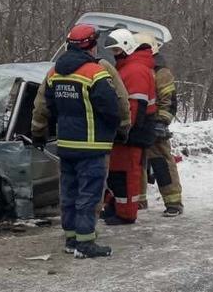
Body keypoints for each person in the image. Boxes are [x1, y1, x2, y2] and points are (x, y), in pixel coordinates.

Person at [30, 23, 122, 259]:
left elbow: (43, 106)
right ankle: (85, 243)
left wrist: (38, 133)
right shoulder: (96, 73)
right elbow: (112, 108)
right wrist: (118, 130)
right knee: (89, 195)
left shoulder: (54, 73)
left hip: (66, 146)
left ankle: (71, 238)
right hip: (92, 147)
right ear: (91, 45)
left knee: (69, 194)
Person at [101, 28, 157, 226]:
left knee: (127, 173)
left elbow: (133, 106)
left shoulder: (134, 70)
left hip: (133, 133)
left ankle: (126, 213)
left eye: (116, 50)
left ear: (127, 47)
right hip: (130, 131)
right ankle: (115, 206)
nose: (114, 54)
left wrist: (123, 130)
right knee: (118, 172)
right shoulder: (129, 67)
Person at [136, 32, 184, 216]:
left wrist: (161, 123)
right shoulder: (137, 67)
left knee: (162, 163)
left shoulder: (161, 71)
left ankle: (174, 203)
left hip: (154, 124)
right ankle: (139, 200)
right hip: (138, 125)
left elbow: (168, 101)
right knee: (136, 164)